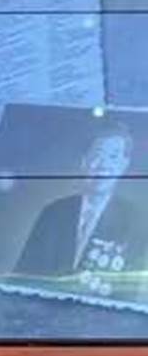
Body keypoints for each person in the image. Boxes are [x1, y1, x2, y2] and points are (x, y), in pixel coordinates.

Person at [14, 122, 144, 291]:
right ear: (84, 162)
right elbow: (22, 277)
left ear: (123, 165)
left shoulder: (136, 220)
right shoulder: (53, 212)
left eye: (113, 157)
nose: (103, 165)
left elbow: (132, 291)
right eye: (97, 155)